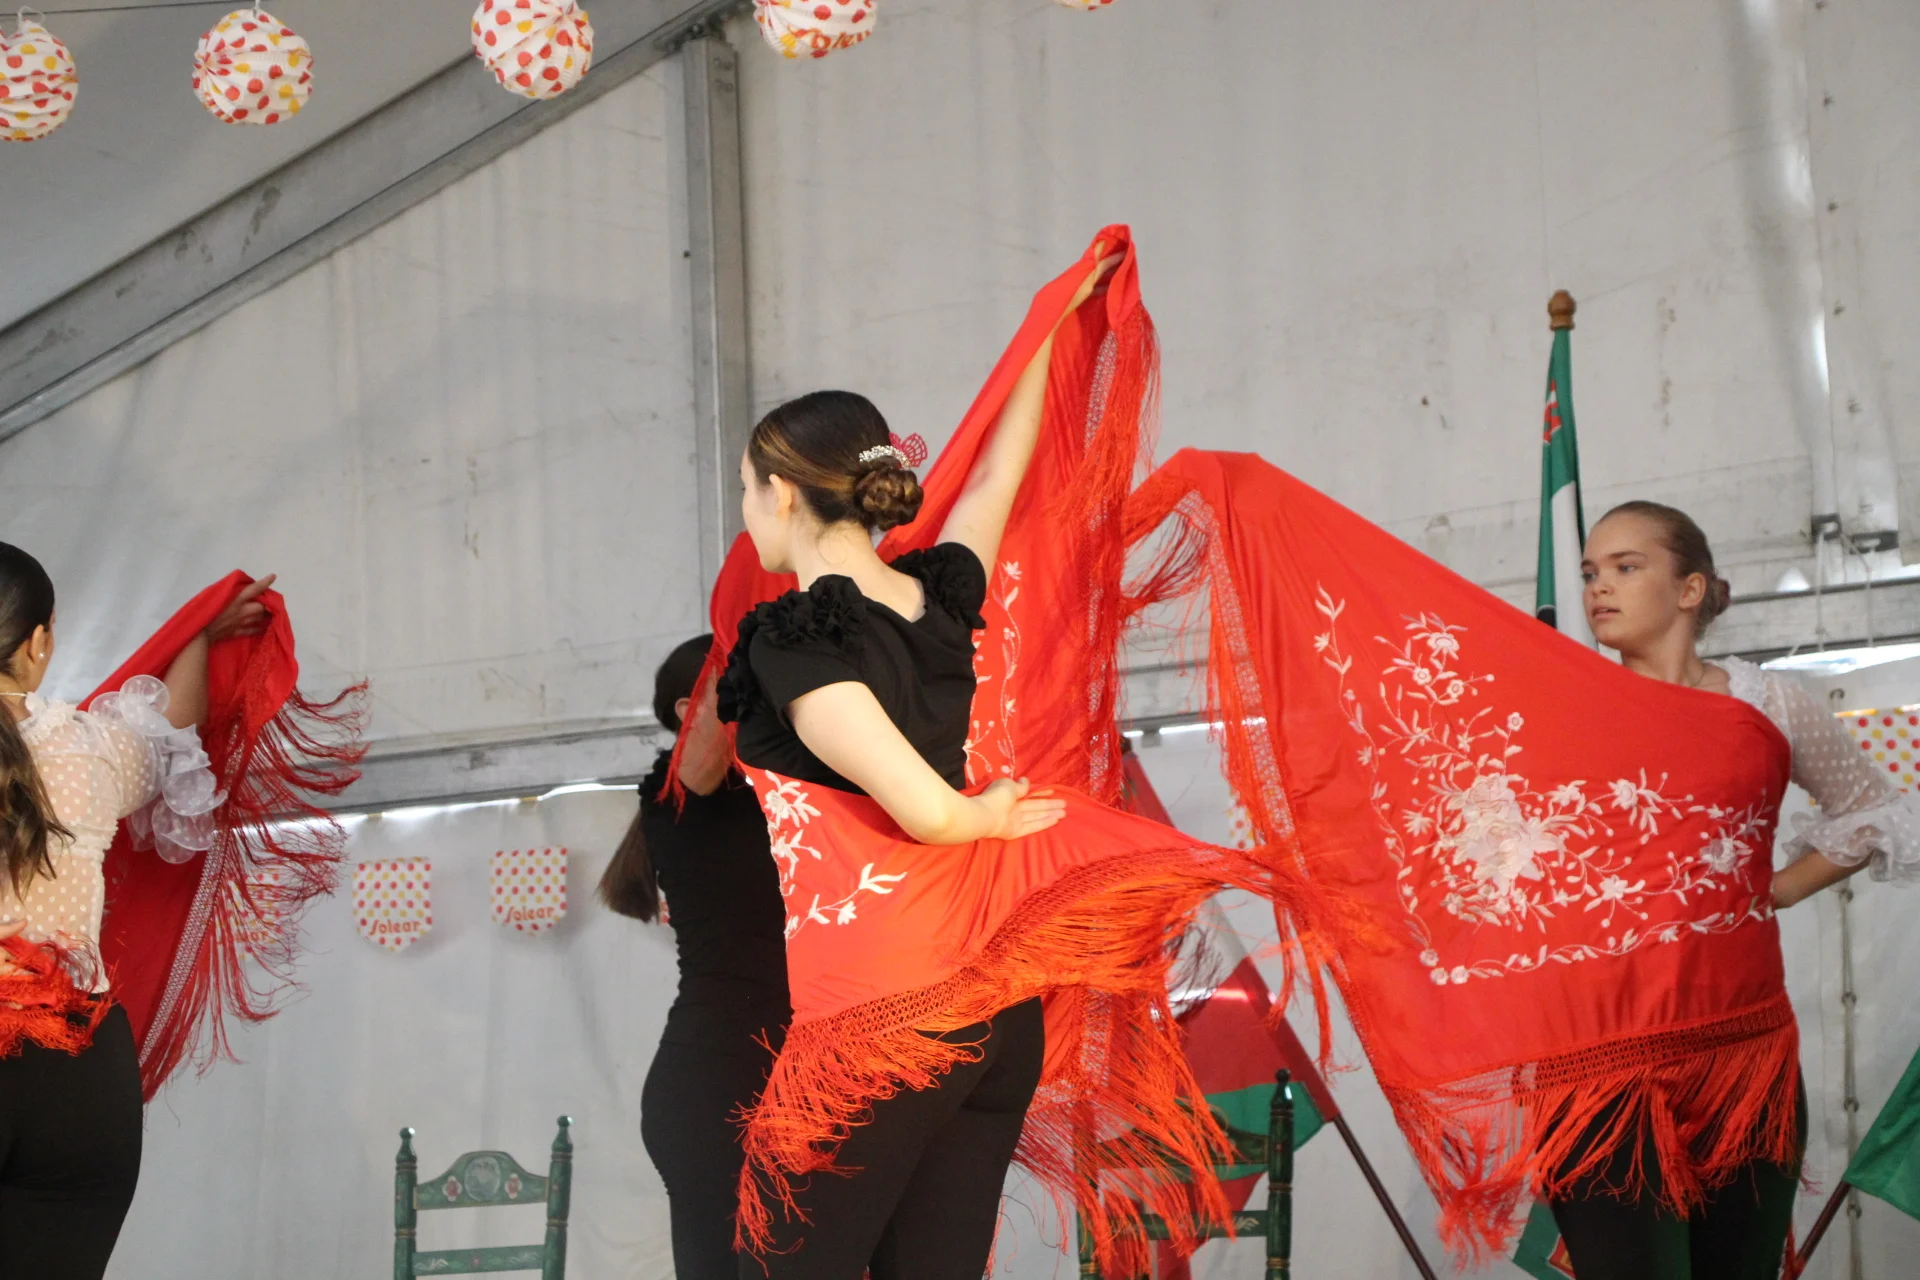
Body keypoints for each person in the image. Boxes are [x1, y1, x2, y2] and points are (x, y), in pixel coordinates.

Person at [710, 233, 1328, 1279]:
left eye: (743, 489)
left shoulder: (791, 639)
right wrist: (1051, 324)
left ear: (782, 493)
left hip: (887, 1017)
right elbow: (1000, 472)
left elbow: (925, 809)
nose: (744, 513)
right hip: (993, 1019)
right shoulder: (940, 594)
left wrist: (984, 814)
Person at [1546, 501, 1920, 1280]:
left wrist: (1776, 890)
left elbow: (1872, 808)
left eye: (1625, 567)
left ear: (1690, 590)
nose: (1597, 588)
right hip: (1605, 1055)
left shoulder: (1768, 702)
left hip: (1744, 1057)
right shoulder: (1567, 704)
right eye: (1589, 572)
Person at [0, 544, 277, 1280]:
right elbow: (174, 727)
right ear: (38, 642)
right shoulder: (87, 751)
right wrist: (200, 636)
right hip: (77, 1075)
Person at [600, 635, 789, 1280]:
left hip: (769, 1076)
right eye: (740, 682)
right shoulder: (674, 792)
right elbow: (702, 763)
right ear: (689, 710)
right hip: (716, 1090)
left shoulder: (776, 785)